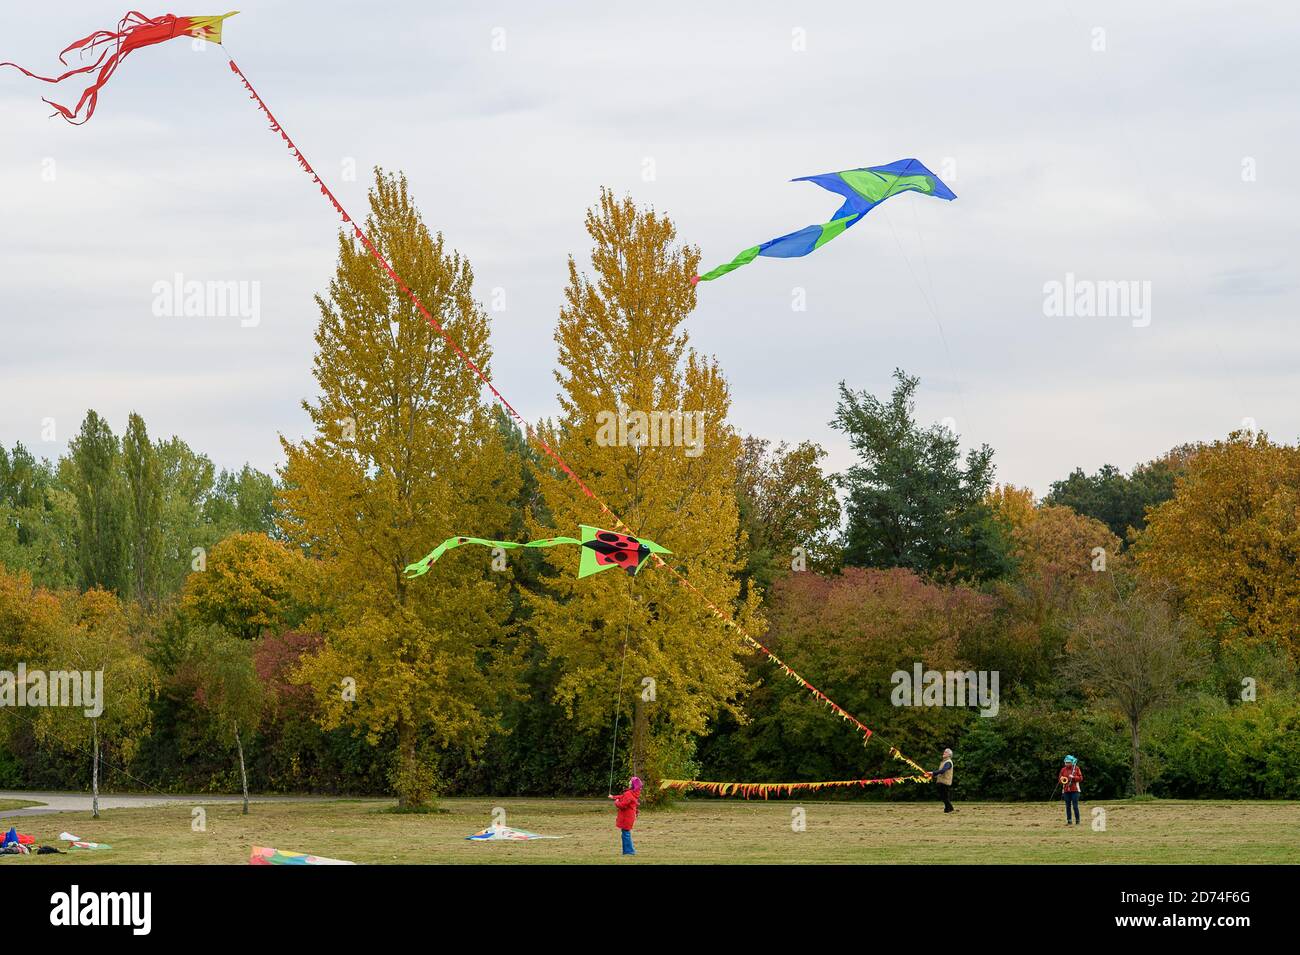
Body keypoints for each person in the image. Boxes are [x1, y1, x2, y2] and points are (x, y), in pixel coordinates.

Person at [610, 775, 642, 855]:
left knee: (626, 834)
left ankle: (629, 851)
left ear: (633, 784)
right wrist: (613, 797)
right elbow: (622, 796)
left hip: (627, 817)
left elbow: (622, 805)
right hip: (630, 816)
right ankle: (627, 851)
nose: (629, 782)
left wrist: (616, 802)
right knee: (625, 833)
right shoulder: (632, 793)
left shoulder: (629, 793)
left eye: (630, 782)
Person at [1059, 755, 1083, 825]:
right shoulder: (1063, 770)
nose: (1067, 764)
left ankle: (1077, 820)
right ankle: (1069, 820)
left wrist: (1074, 777)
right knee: (1068, 806)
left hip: (1075, 790)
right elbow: (1060, 780)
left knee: (1075, 806)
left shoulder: (1076, 768)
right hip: (1066, 790)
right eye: (1066, 762)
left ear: (1072, 762)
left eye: (1068, 762)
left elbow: (1081, 778)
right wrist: (1062, 779)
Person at [932, 748, 955, 813]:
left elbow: (943, 771)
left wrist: (933, 773)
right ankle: (948, 808)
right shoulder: (944, 762)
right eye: (944, 752)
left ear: (949, 755)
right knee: (944, 797)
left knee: (944, 797)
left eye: (946, 752)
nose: (944, 753)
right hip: (941, 782)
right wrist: (932, 775)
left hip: (945, 782)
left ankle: (949, 808)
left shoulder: (948, 762)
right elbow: (940, 773)